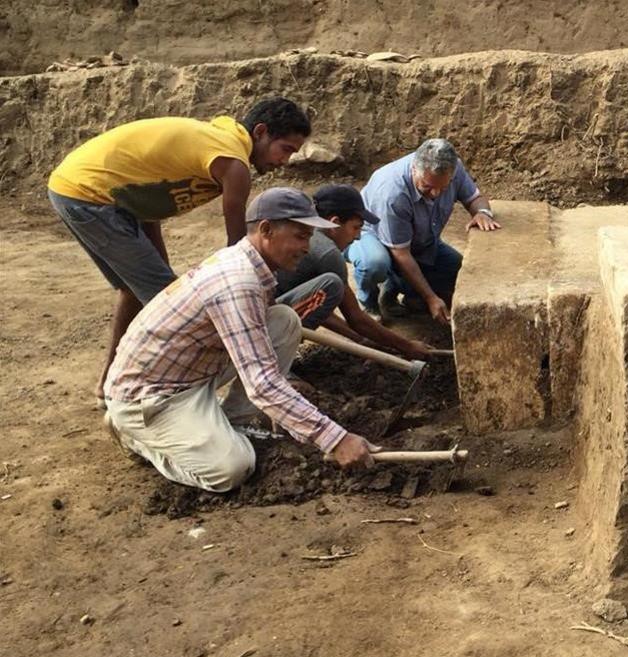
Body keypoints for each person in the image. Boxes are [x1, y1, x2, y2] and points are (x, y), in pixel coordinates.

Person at [103, 188, 377, 493]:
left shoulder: (251, 266)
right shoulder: (238, 282)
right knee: (233, 468)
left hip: (191, 372)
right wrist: (336, 438)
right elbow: (262, 383)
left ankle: (232, 421)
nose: (306, 247)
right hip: (150, 396)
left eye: (309, 237)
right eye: (301, 236)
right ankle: (137, 437)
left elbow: (258, 362)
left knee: (284, 320)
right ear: (266, 230)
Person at [47, 98, 312, 405]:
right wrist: (257, 327)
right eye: (286, 149)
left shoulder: (218, 143)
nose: (286, 161)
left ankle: (108, 383)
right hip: (90, 194)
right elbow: (241, 252)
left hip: (84, 190)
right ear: (261, 132)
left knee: (137, 289)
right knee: (173, 304)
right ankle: (160, 397)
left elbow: (151, 192)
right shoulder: (233, 161)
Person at [348, 138, 501, 324]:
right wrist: (430, 298)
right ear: (414, 169)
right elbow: (401, 253)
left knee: (459, 271)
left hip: (420, 240)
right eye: (427, 186)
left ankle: (404, 291)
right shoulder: (392, 192)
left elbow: (474, 198)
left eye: (443, 188)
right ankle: (369, 303)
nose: (436, 193)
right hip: (371, 235)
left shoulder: (453, 168)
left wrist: (482, 213)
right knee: (375, 263)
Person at [274, 184, 433, 358]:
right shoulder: (328, 253)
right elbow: (357, 319)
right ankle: (277, 360)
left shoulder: (309, 237)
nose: (357, 237)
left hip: (263, 316)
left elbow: (312, 308)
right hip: (267, 326)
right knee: (333, 285)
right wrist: (407, 346)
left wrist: (361, 340)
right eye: (356, 227)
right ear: (334, 223)